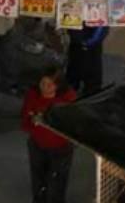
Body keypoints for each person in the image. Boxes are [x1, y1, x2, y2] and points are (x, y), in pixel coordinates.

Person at [21, 67, 77, 203]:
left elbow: (74, 125)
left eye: (49, 85)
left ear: (58, 86)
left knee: (57, 182)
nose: (45, 88)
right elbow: (25, 120)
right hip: (37, 145)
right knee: (38, 179)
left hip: (61, 149)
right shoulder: (33, 95)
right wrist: (33, 121)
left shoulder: (68, 99)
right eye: (42, 83)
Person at [65, 0, 108, 96]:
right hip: (76, 31)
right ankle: (71, 86)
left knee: (91, 67)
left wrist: (89, 42)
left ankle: (92, 91)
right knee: (74, 62)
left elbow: (103, 24)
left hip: (91, 36)